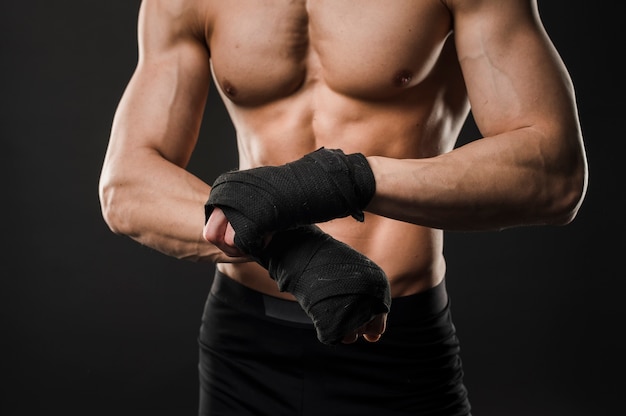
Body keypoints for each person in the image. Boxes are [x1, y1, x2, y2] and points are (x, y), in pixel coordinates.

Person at [98, 0, 588, 414]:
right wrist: (296, 257)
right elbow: (126, 185)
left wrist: (342, 180)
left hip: (396, 342)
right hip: (244, 347)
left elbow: (555, 172)